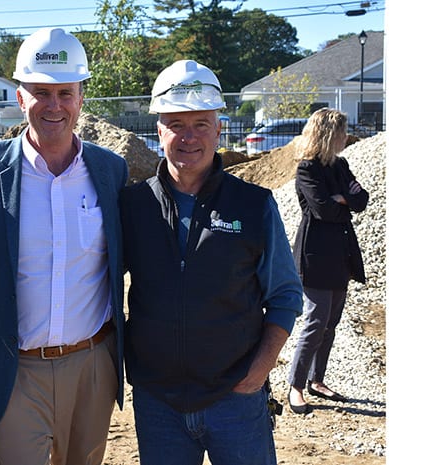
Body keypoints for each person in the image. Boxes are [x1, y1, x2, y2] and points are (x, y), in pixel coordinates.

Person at [119, 59, 303, 465]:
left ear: (219, 127)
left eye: (200, 123)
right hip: (159, 403)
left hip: (235, 401)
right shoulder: (133, 206)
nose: (189, 137)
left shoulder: (254, 205)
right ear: (158, 129)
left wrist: (258, 371)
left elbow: (286, 294)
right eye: (176, 124)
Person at [0, 27, 128, 465]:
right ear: (20, 97)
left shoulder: (111, 171)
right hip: (13, 369)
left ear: (81, 98)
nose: (54, 105)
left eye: (65, 93)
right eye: (41, 92)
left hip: (91, 364)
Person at [286, 108, 368, 413]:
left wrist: (342, 199)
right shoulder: (307, 169)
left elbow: (361, 200)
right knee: (315, 322)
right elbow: (323, 210)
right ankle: (295, 386)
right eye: (342, 131)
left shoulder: (341, 165)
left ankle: (316, 380)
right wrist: (342, 198)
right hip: (315, 254)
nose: (346, 137)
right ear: (328, 134)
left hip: (341, 253)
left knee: (330, 323)